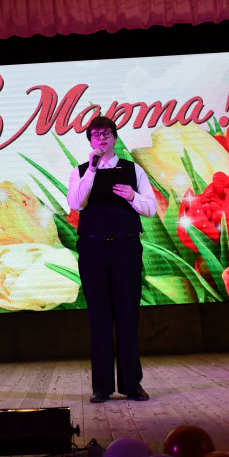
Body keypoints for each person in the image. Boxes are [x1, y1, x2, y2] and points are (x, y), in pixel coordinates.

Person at [66, 116, 157, 403]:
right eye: (95, 135)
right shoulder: (81, 171)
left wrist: (132, 196)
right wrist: (92, 171)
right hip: (93, 250)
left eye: (106, 134)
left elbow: (151, 208)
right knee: (99, 318)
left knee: (128, 316)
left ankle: (132, 384)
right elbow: (75, 203)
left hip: (125, 248)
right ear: (90, 141)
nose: (101, 139)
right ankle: (101, 387)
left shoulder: (133, 170)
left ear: (114, 138)